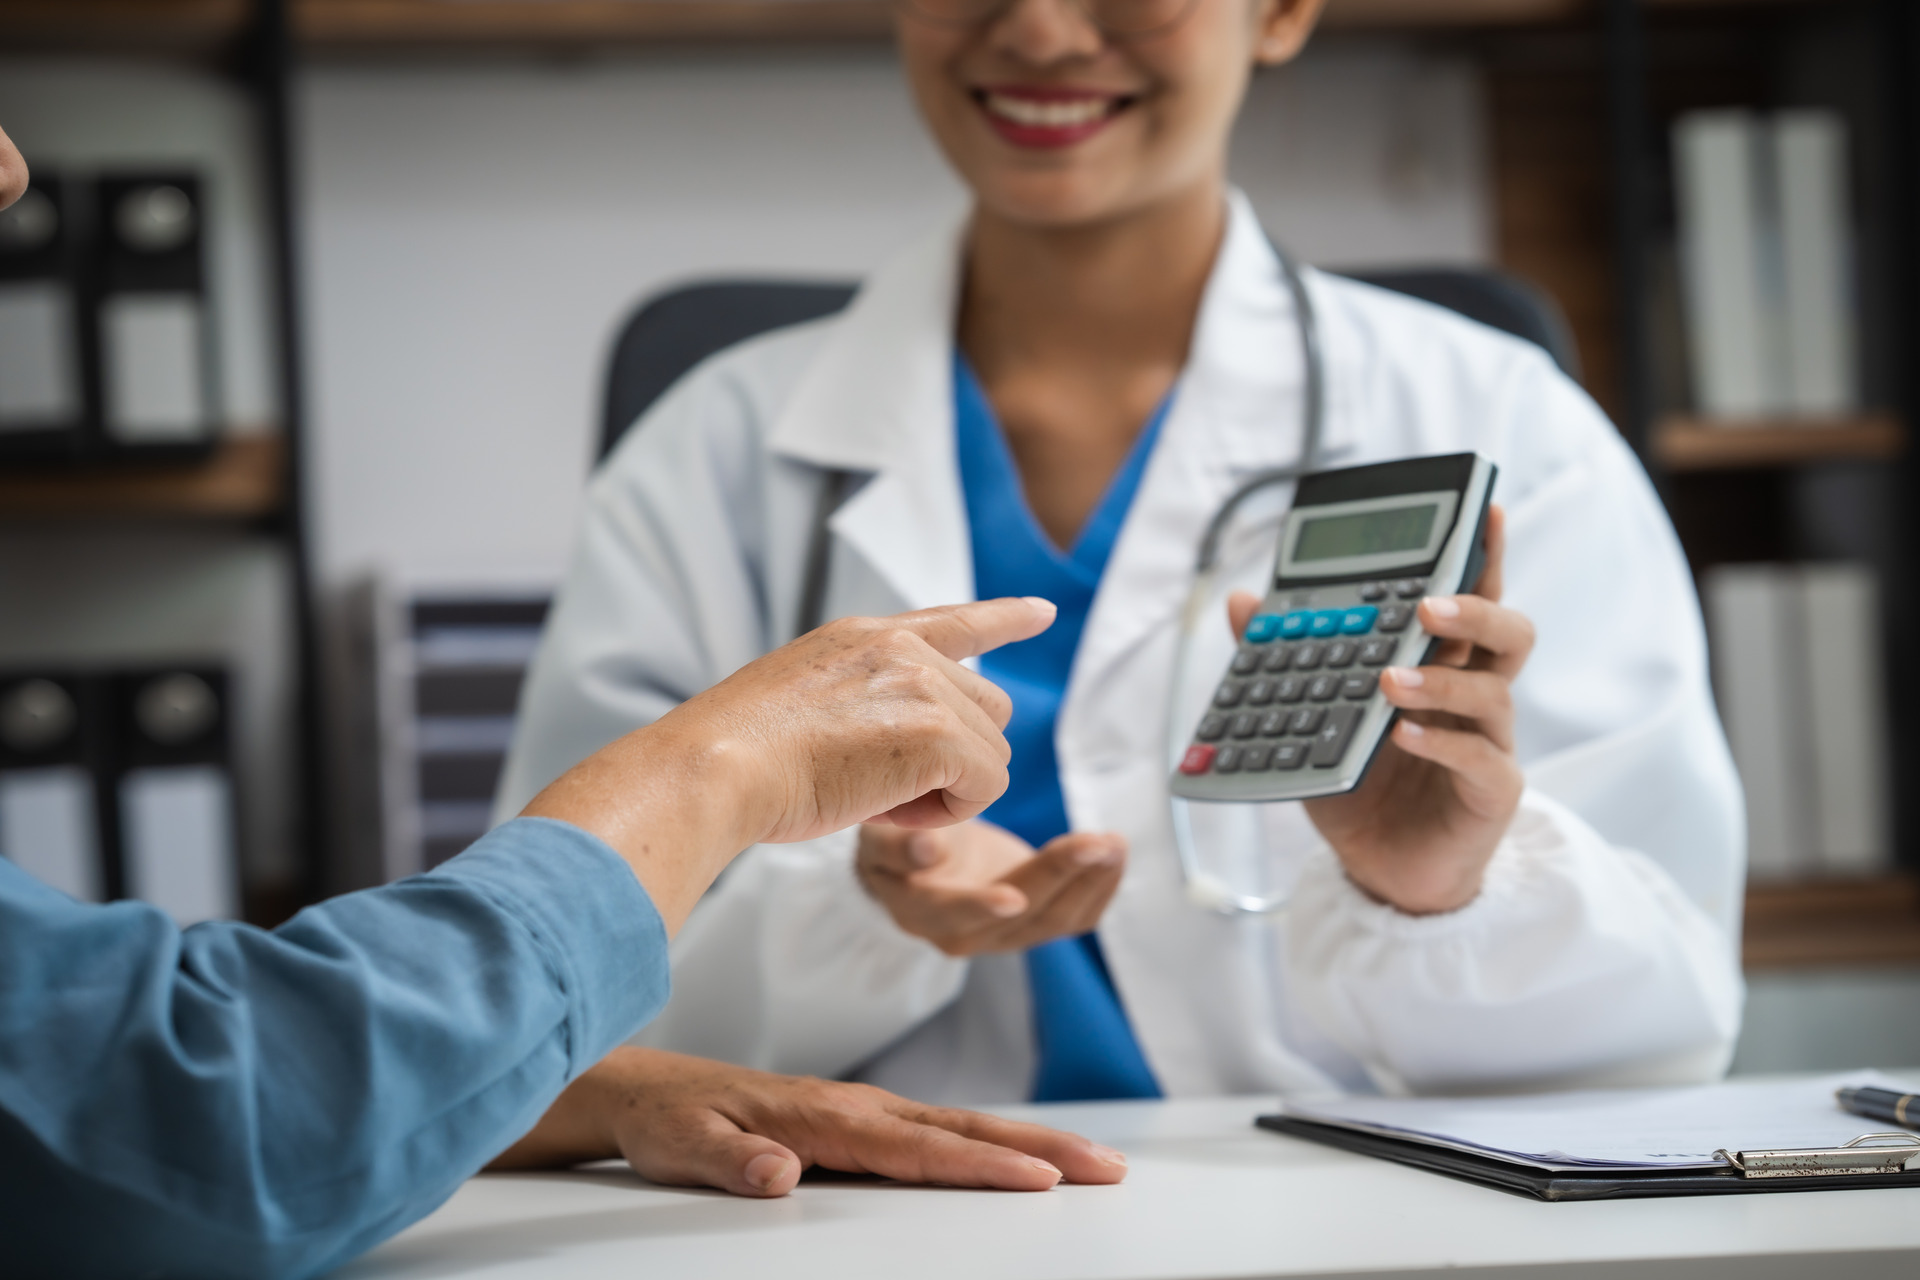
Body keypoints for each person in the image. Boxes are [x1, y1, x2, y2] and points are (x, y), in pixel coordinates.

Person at [497, 0, 1745, 1104]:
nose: (1039, 30)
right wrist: (854, 909)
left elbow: (1667, 1028)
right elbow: (549, 974)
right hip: (841, 1220)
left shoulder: (1500, 420)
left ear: (1283, 9)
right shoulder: (718, 445)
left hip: (1343, 1225)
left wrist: (1445, 886)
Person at [1, 122, 1127, 1278]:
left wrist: (590, 1092)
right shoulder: (728, 421)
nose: (9, 167)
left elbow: (109, 1054)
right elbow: (183, 1127)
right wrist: (734, 767)